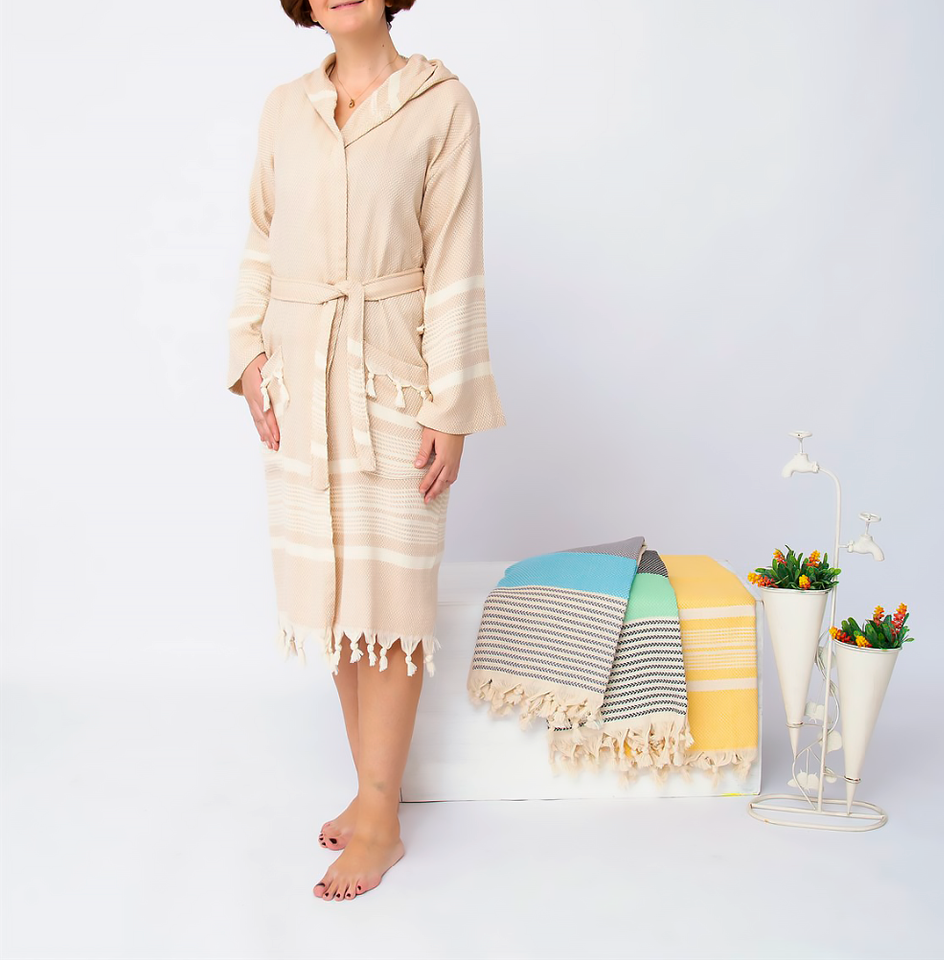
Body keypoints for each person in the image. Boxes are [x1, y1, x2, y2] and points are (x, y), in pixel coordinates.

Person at [224, 0, 507, 902]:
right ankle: (371, 792)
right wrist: (248, 354)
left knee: (387, 598)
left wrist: (451, 406)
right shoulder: (285, 108)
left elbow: (456, 260)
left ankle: (381, 820)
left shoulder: (441, 105)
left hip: (393, 378)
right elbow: (261, 241)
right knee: (339, 598)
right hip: (299, 378)